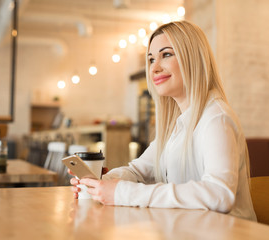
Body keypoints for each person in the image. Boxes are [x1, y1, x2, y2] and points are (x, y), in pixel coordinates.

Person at [69, 20, 257, 221]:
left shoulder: (216, 118)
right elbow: (138, 171)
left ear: (193, 58)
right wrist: (101, 183)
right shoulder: (177, 125)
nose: (154, 68)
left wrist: (123, 192)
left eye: (166, 55)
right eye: (150, 59)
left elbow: (219, 194)